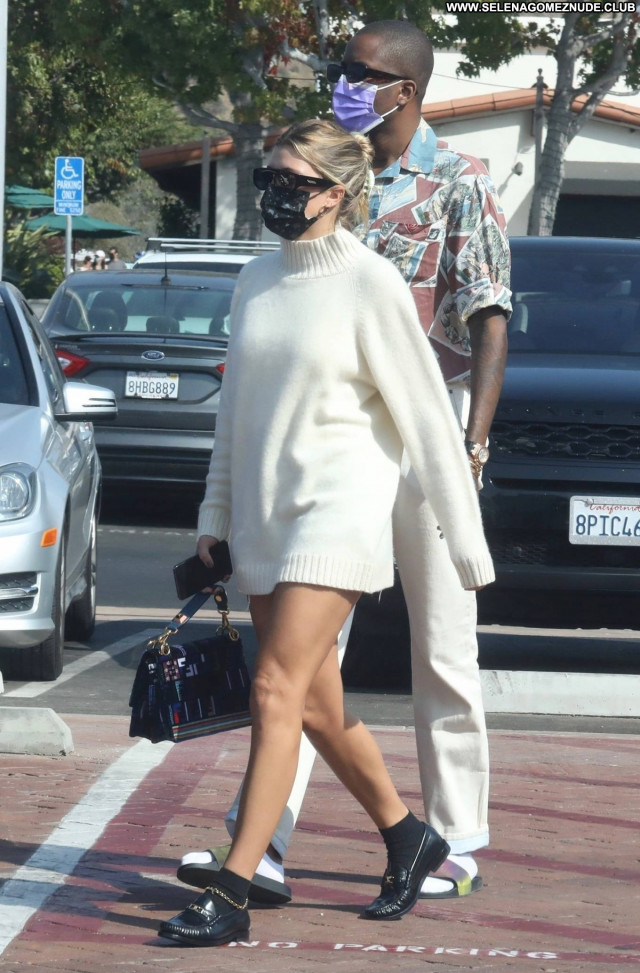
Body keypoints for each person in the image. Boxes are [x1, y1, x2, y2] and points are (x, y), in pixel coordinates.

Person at [178, 20, 511, 905]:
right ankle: (275, 842)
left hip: (421, 417)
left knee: (440, 642)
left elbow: (489, 314)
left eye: (362, 74)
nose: (344, 83)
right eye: (342, 68)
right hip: (327, 438)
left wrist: (472, 446)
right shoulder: (317, 166)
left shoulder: (460, 180)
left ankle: (453, 836)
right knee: (305, 674)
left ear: (407, 89)